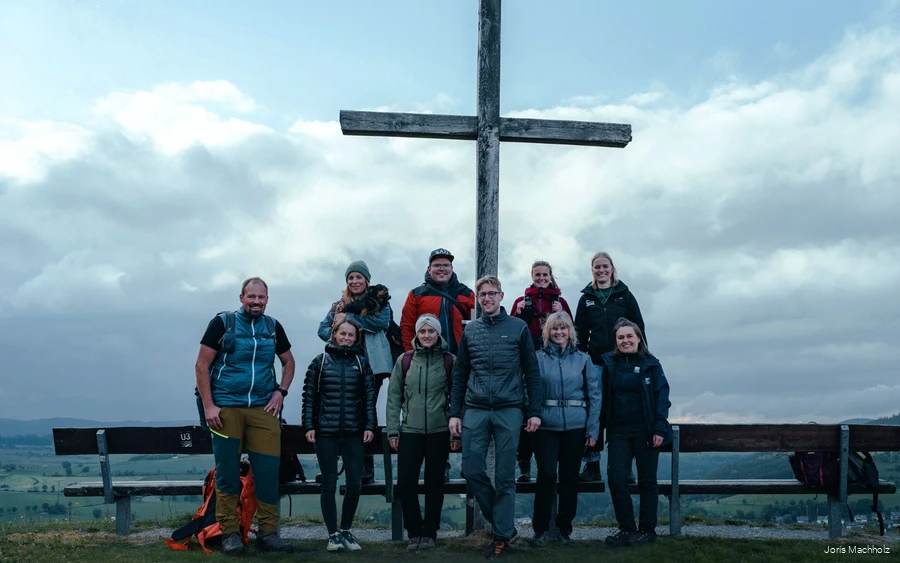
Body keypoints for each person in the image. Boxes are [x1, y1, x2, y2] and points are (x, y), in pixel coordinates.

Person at [194, 277, 295, 554]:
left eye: (261, 297)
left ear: (267, 300)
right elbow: (202, 365)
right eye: (251, 296)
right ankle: (229, 533)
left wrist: (281, 392)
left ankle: (268, 534)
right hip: (226, 408)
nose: (256, 301)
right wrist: (209, 406)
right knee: (227, 472)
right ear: (241, 297)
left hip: (263, 408)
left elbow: (288, 361)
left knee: (267, 471)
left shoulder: (273, 327)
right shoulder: (222, 323)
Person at [448, 276, 543, 560]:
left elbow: (532, 373)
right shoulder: (471, 331)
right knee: (470, 469)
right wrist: (454, 412)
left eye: (492, 294)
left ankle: (501, 535)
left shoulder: (518, 328)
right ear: (478, 299)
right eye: (482, 295)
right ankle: (506, 526)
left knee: (504, 477)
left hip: (509, 407)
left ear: (501, 296)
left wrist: (534, 411)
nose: (487, 299)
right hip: (475, 408)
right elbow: (460, 374)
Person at [386, 314, 461, 552]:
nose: (427, 335)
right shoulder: (405, 360)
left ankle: (429, 533)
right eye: (422, 331)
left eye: (431, 331)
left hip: (440, 431)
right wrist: (392, 431)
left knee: (434, 484)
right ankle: (414, 533)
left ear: (438, 334)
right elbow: (394, 398)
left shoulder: (450, 361)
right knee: (406, 483)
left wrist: (455, 434)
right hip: (409, 431)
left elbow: (458, 400)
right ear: (416, 334)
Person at [303, 317, 376, 552]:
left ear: (356, 338)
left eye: (351, 335)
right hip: (326, 434)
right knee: (329, 484)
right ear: (334, 334)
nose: (346, 338)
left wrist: (369, 427)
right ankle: (332, 534)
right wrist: (309, 426)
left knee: (355, 483)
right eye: (342, 333)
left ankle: (346, 531)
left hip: (355, 434)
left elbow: (369, 399)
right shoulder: (320, 362)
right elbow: (309, 398)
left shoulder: (362, 362)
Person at [529, 312, 600, 547]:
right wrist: (533, 415)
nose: (559, 333)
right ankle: (540, 529)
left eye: (563, 328)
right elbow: (528, 389)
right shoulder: (537, 358)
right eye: (554, 329)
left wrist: (592, 430)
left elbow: (594, 396)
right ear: (547, 332)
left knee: (569, 478)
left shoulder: (583, 359)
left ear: (571, 332)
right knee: (547, 475)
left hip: (576, 425)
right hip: (546, 425)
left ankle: (563, 528)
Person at [318, 260, 392, 485]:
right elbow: (322, 330)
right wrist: (343, 332)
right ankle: (344, 465)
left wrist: (348, 320)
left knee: (367, 411)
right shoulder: (337, 305)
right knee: (343, 413)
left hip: (372, 366)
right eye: (351, 277)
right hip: (342, 366)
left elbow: (382, 322)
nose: (354, 281)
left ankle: (366, 467)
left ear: (366, 280)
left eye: (359, 277)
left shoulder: (379, 301)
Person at [574, 251, 646, 482]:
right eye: (597, 267)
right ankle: (591, 464)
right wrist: (581, 359)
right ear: (592, 270)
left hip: (621, 363)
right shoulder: (586, 298)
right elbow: (579, 332)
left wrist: (639, 358)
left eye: (605, 266)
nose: (601, 270)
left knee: (621, 409)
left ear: (612, 268)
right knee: (593, 411)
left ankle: (624, 467)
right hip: (595, 362)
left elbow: (639, 329)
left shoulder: (625, 296)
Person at [601, 318, 671, 547]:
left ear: (639, 338)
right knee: (616, 478)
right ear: (616, 341)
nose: (625, 341)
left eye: (629, 336)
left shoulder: (652, 364)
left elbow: (662, 398)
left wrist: (660, 427)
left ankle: (647, 530)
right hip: (618, 430)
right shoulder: (609, 364)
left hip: (646, 430)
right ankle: (627, 529)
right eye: (620, 337)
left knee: (647, 481)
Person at [510, 260, 573, 483]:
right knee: (528, 410)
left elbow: (570, 332)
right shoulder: (520, 302)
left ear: (550, 276)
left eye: (544, 275)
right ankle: (524, 463)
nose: (541, 278)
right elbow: (511, 333)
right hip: (527, 363)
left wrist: (563, 313)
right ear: (532, 276)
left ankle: (549, 462)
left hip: (554, 363)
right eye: (537, 275)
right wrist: (517, 314)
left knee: (548, 409)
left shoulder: (560, 302)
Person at [400, 248, 475, 356]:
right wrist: (411, 354)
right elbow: (407, 327)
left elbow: (479, 326)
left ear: (452, 268)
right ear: (429, 269)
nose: (442, 268)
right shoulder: (416, 295)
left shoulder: (467, 294)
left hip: (460, 358)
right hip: (427, 360)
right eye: (437, 265)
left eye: (446, 265)